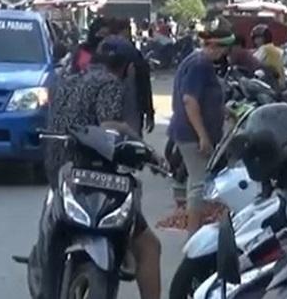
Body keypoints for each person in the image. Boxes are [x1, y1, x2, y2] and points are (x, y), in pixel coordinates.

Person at [44, 36, 162, 299]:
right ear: (128, 68)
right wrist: (149, 153)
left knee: (53, 229)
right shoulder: (110, 84)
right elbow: (110, 127)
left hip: (59, 172)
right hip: (94, 177)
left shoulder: (69, 80)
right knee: (150, 246)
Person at [169, 29, 234, 236]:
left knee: (195, 183)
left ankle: (195, 230)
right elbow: (190, 100)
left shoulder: (195, 60)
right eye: (223, 48)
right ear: (214, 46)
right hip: (192, 134)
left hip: (187, 131)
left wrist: (225, 110)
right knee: (200, 185)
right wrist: (203, 135)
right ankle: (194, 234)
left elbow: (204, 98)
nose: (224, 53)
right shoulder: (200, 65)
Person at [109, 18, 155, 136]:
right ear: (124, 30)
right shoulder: (131, 51)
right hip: (131, 105)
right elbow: (144, 83)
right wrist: (149, 113)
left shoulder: (101, 48)